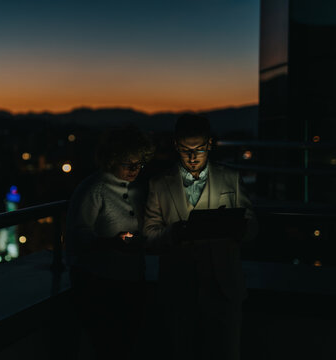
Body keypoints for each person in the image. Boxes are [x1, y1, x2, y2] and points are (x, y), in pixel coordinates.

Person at [143, 114, 257, 360]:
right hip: (179, 290)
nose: (193, 157)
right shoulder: (159, 184)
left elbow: (253, 226)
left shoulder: (231, 179)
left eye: (199, 149)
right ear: (175, 145)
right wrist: (174, 233)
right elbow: (149, 235)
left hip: (224, 289)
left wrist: (241, 228)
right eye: (186, 150)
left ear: (210, 144)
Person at [65, 125, 154, 359]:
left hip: (133, 280)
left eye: (139, 164)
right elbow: (76, 236)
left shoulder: (139, 189)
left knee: (126, 345)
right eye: (128, 164)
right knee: (108, 347)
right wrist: (109, 243)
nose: (135, 169)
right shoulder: (94, 189)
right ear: (111, 159)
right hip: (101, 285)